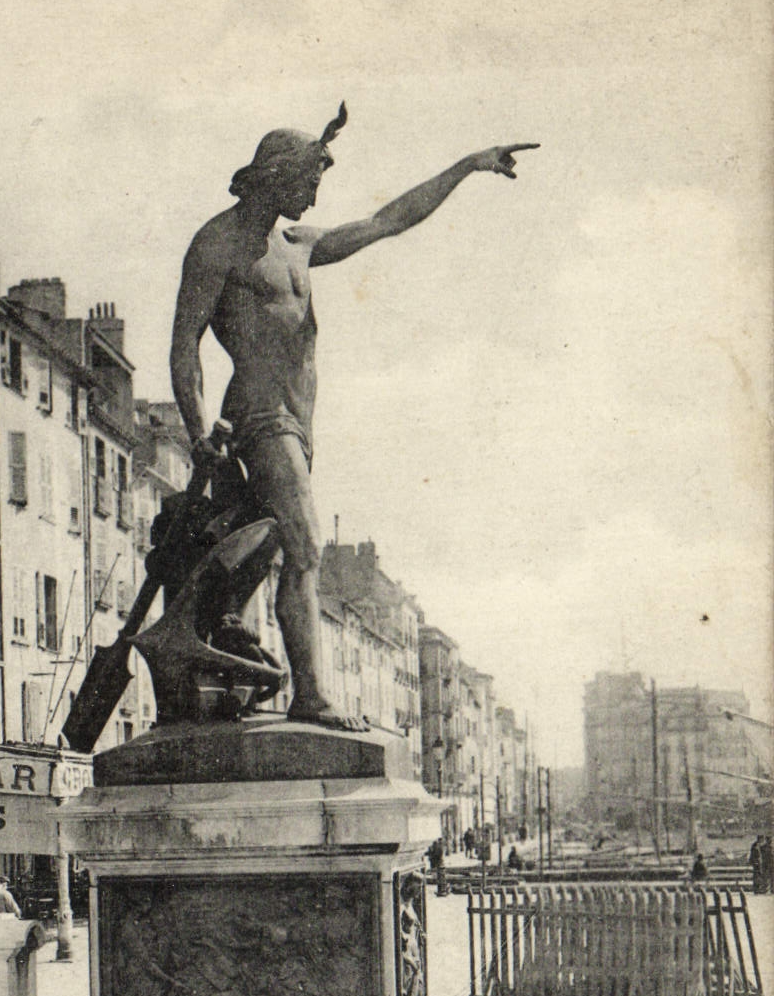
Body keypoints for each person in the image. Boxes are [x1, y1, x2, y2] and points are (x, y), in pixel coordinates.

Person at [170, 108, 537, 729]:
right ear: (276, 175)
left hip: (298, 421)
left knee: (264, 551)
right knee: (305, 545)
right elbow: (185, 345)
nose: (315, 196)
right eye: (309, 181)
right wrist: (197, 431)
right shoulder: (216, 244)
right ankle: (310, 696)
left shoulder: (297, 245)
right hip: (260, 416)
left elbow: (386, 222)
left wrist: (467, 166)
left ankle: (220, 657)